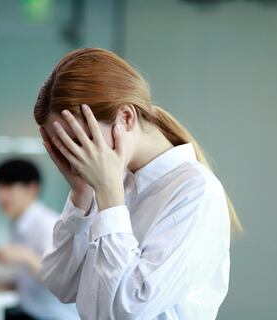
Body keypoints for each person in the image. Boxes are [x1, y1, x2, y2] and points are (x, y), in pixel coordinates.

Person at [34, 48, 243, 320]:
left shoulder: (196, 191)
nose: (76, 158)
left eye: (80, 141)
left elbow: (131, 308)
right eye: (64, 147)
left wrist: (110, 198)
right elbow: (60, 285)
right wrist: (81, 193)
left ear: (126, 118)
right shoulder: (107, 181)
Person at [0, 159, 78, 320]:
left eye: (9, 187)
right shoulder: (18, 223)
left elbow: (64, 283)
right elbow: (28, 280)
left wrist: (24, 256)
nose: (1, 195)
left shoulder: (49, 226)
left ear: (33, 188)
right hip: (29, 312)